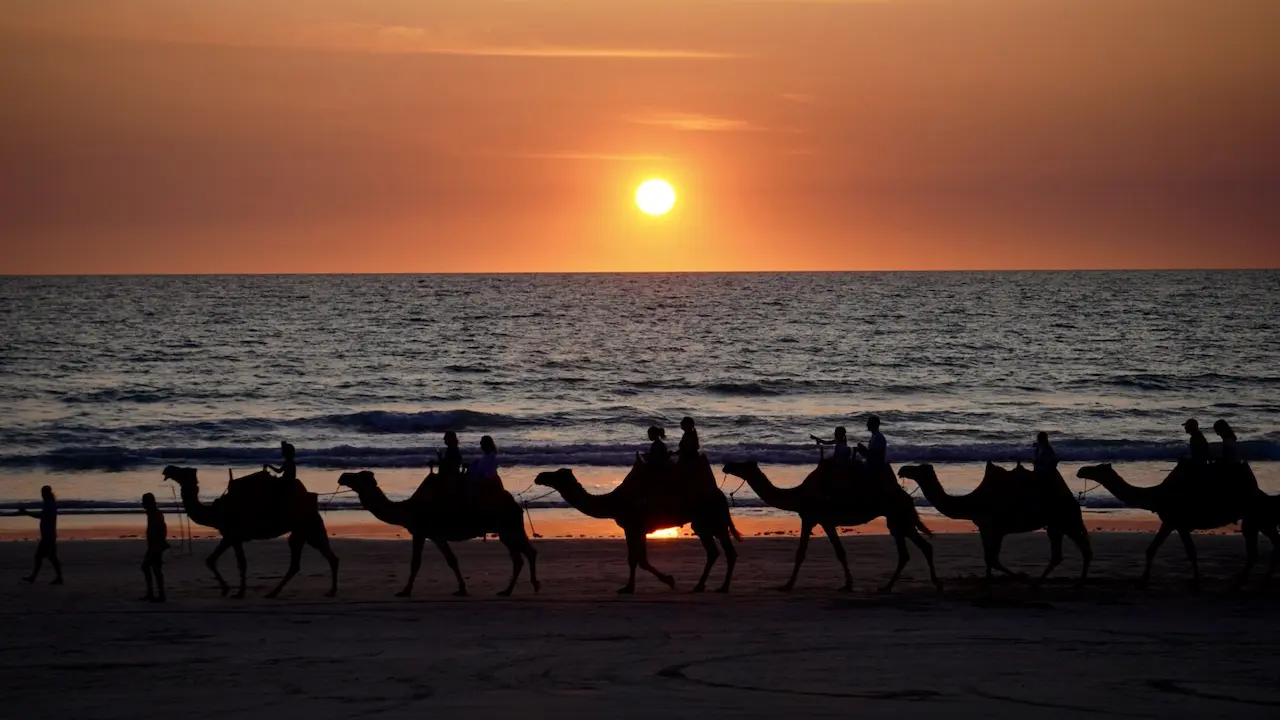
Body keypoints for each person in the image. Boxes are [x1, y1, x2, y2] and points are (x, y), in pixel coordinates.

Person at [19, 485, 63, 585]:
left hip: (48, 536)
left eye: (43, 493)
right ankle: (58, 577)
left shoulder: (49, 504)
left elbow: (41, 516)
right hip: (49, 535)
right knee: (51, 557)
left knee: (40, 556)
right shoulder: (50, 503)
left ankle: (34, 577)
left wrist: (26, 513)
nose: (42, 495)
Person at [141, 493, 170, 603]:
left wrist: (160, 543)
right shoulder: (152, 513)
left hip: (155, 546)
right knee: (153, 569)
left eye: (144, 502)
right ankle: (154, 594)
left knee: (150, 568)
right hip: (154, 545)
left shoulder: (155, 514)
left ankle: (157, 594)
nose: (142, 504)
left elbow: (162, 529)